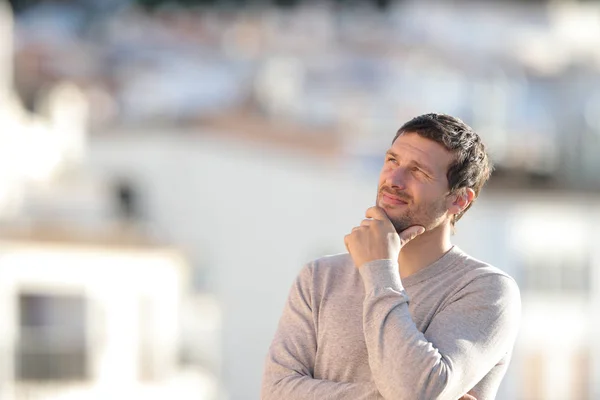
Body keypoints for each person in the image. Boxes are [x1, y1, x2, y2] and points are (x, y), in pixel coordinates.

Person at [261, 113, 521, 400]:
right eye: (392, 161)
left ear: (459, 199)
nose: (394, 179)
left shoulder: (486, 291)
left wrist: (378, 269)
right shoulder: (319, 278)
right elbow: (275, 392)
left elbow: (415, 392)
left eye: (418, 171)